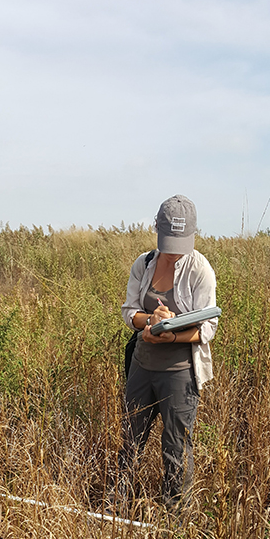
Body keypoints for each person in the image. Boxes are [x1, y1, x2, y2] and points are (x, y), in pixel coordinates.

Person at [119, 194, 218, 510]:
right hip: (142, 366)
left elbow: (207, 328)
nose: (174, 252)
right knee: (130, 439)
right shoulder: (144, 263)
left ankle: (174, 518)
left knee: (176, 447)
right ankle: (117, 506)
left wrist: (170, 334)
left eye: (181, 243)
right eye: (169, 242)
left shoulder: (200, 270)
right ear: (157, 230)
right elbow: (128, 311)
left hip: (179, 374)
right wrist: (150, 321)